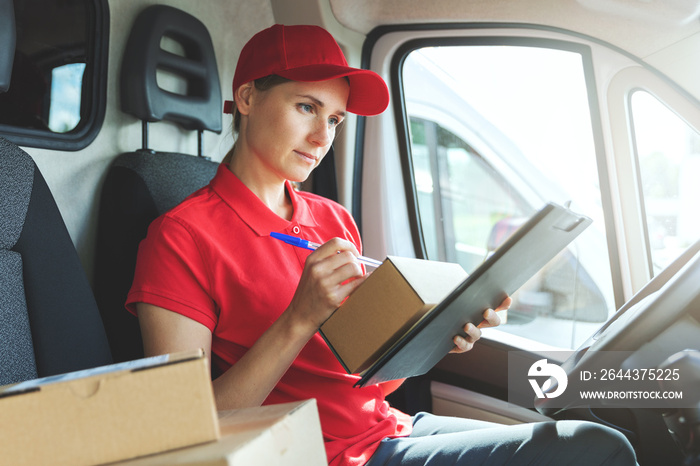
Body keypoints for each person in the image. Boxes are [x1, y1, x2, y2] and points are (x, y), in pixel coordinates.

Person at [126, 24, 637, 466]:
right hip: (319, 453)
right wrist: (298, 319)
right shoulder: (181, 237)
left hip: (390, 429)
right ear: (248, 98)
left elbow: (364, 377)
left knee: (589, 439)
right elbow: (185, 432)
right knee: (596, 447)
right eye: (307, 106)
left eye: (334, 120)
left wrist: (436, 338)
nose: (321, 136)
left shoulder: (333, 218)